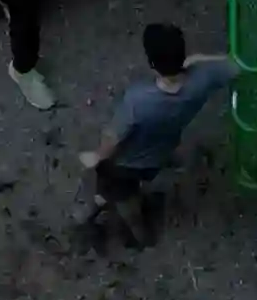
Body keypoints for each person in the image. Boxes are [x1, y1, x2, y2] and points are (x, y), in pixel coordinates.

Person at [79, 23, 237, 246]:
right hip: (161, 151)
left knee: (127, 204)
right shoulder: (202, 81)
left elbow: (114, 138)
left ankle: (140, 237)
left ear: (152, 64)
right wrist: (199, 61)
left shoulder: (138, 100)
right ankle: (104, 198)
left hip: (125, 165)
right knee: (125, 183)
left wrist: (95, 156)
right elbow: (231, 65)